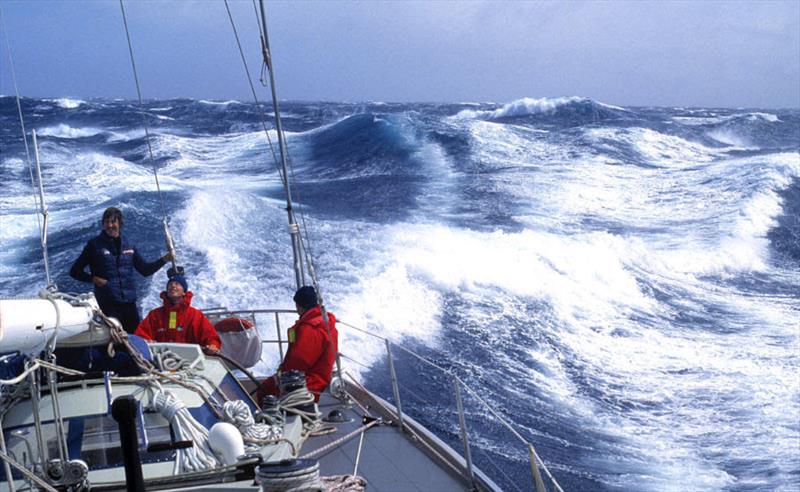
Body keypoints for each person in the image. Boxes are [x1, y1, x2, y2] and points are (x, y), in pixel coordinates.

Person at [69, 207, 173, 332]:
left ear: (119, 223)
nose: (109, 225)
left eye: (113, 221)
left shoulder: (129, 244)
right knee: (116, 341)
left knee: (135, 340)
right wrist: (93, 279)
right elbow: (74, 271)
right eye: (106, 222)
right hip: (107, 304)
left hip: (129, 303)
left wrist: (164, 259)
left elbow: (145, 270)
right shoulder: (94, 245)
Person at [256, 286, 338, 403]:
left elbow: (298, 363)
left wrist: (279, 376)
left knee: (264, 389)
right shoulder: (326, 322)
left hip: (310, 383)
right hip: (321, 376)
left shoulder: (309, 329)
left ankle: (269, 418)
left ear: (299, 305)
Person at [134, 274, 221, 354]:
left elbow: (211, 337)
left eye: (177, 284)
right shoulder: (154, 315)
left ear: (184, 292)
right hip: (160, 361)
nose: (173, 286)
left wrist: (213, 346)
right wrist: (146, 342)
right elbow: (140, 336)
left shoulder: (195, 315)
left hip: (191, 362)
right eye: (170, 284)